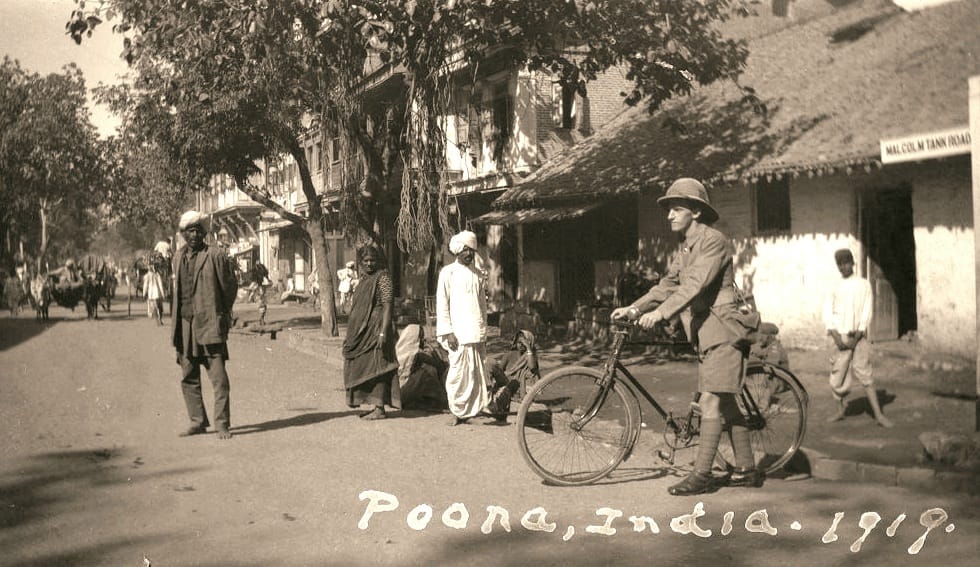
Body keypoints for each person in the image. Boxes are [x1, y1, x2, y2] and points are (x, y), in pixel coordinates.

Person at [612, 178, 760, 496]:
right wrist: (635, 309)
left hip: (724, 330)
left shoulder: (713, 241)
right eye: (669, 210)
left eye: (676, 209)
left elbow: (694, 285)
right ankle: (747, 469)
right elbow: (667, 285)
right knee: (726, 402)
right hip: (706, 332)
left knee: (710, 401)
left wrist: (661, 314)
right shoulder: (687, 247)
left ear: (695, 211)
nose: (669, 216)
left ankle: (702, 475)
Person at [171, 210, 239, 439]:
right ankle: (197, 421)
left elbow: (229, 287)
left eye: (198, 230)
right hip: (185, 327)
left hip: (210, 324)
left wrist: (221, 313)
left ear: (203, 232)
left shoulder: (215, 256)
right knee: (188, 376)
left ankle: (222, 424)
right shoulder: (178, 257)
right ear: (183, 234)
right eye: (189, 231)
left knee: (219, 378)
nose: (194, 234)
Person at [824, 248, 894, 428]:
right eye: (839, 264)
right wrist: (836, 337)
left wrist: (859, 333)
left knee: (865, 374)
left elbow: (866, 311)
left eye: (846, 262)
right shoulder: (833, 285)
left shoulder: (863, 284)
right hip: (838, 336)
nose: (843, 267)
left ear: (852, 263)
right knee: (837, 376)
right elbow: (827, 312)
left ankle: (878, 414)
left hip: (858, 337)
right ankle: (840, 411)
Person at [437, 230, 491, 426]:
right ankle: (457, 411)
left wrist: (483, 329)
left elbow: (482, 306)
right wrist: (448, 331)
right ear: (458, 250)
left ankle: (472, 412)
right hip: (457, 333)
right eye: (466, 250)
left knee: (475, 373)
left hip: (475, 331)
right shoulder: (447, 273)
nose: (469, 254)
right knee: (458, 373)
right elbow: (442, 303)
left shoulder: (477, 275)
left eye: (472, 251)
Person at [342, 244, 400, 420]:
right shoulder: (364, 279)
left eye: (372, 260)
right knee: (363, 366)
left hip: (376, 330)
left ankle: (380, 408)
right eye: (365, 260)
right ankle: (374, 405)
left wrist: (383, 332)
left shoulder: (382, 278)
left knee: (378, 367)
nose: (369, 264)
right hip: (361, 332)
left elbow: (388, 306)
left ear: (379, 261)